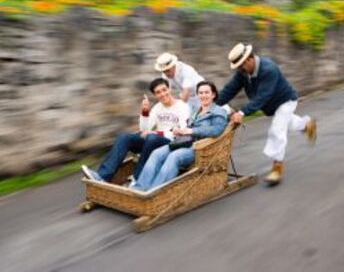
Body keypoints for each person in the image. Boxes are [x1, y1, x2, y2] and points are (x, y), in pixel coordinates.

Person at [216, 43, 317, 185]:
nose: (239, 70)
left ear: (249, 59)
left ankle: (277, 168)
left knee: (277, 130)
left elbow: (262, 97)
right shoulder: (243, 73)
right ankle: (307, 125)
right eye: (238, 67)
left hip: (285, 101)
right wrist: (213, 105)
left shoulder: (268, 69)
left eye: (240, 66)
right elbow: (229, 90)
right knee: (289, 123)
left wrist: (242, 112)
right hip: (272, 106)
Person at [81, 78, 190, 182]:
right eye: (158, 92)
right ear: (155, 95)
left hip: (171, 143)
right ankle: (102, 176)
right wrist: (145, 111)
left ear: (169, 89)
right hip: (154, 141)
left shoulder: (183, 107)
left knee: (152, 138)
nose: (162, 94)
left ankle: (137, 178)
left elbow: (181, 131)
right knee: (124, 137)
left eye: (164, 90)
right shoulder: (157, 108)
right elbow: (144, 130)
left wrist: (157, 132)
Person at [131, 81, 228, 191]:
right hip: (183, 142)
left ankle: (154, 191)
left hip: (199, 148)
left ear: (213, 94)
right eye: (200, 93)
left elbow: (217, 130)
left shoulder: (219, 111)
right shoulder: (196, 112)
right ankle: (139, 188)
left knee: (174, 157)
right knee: (156, 153)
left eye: (206, 92)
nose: (203, 95)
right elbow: (185, 127)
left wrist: (191, 131)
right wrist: (179, 131)